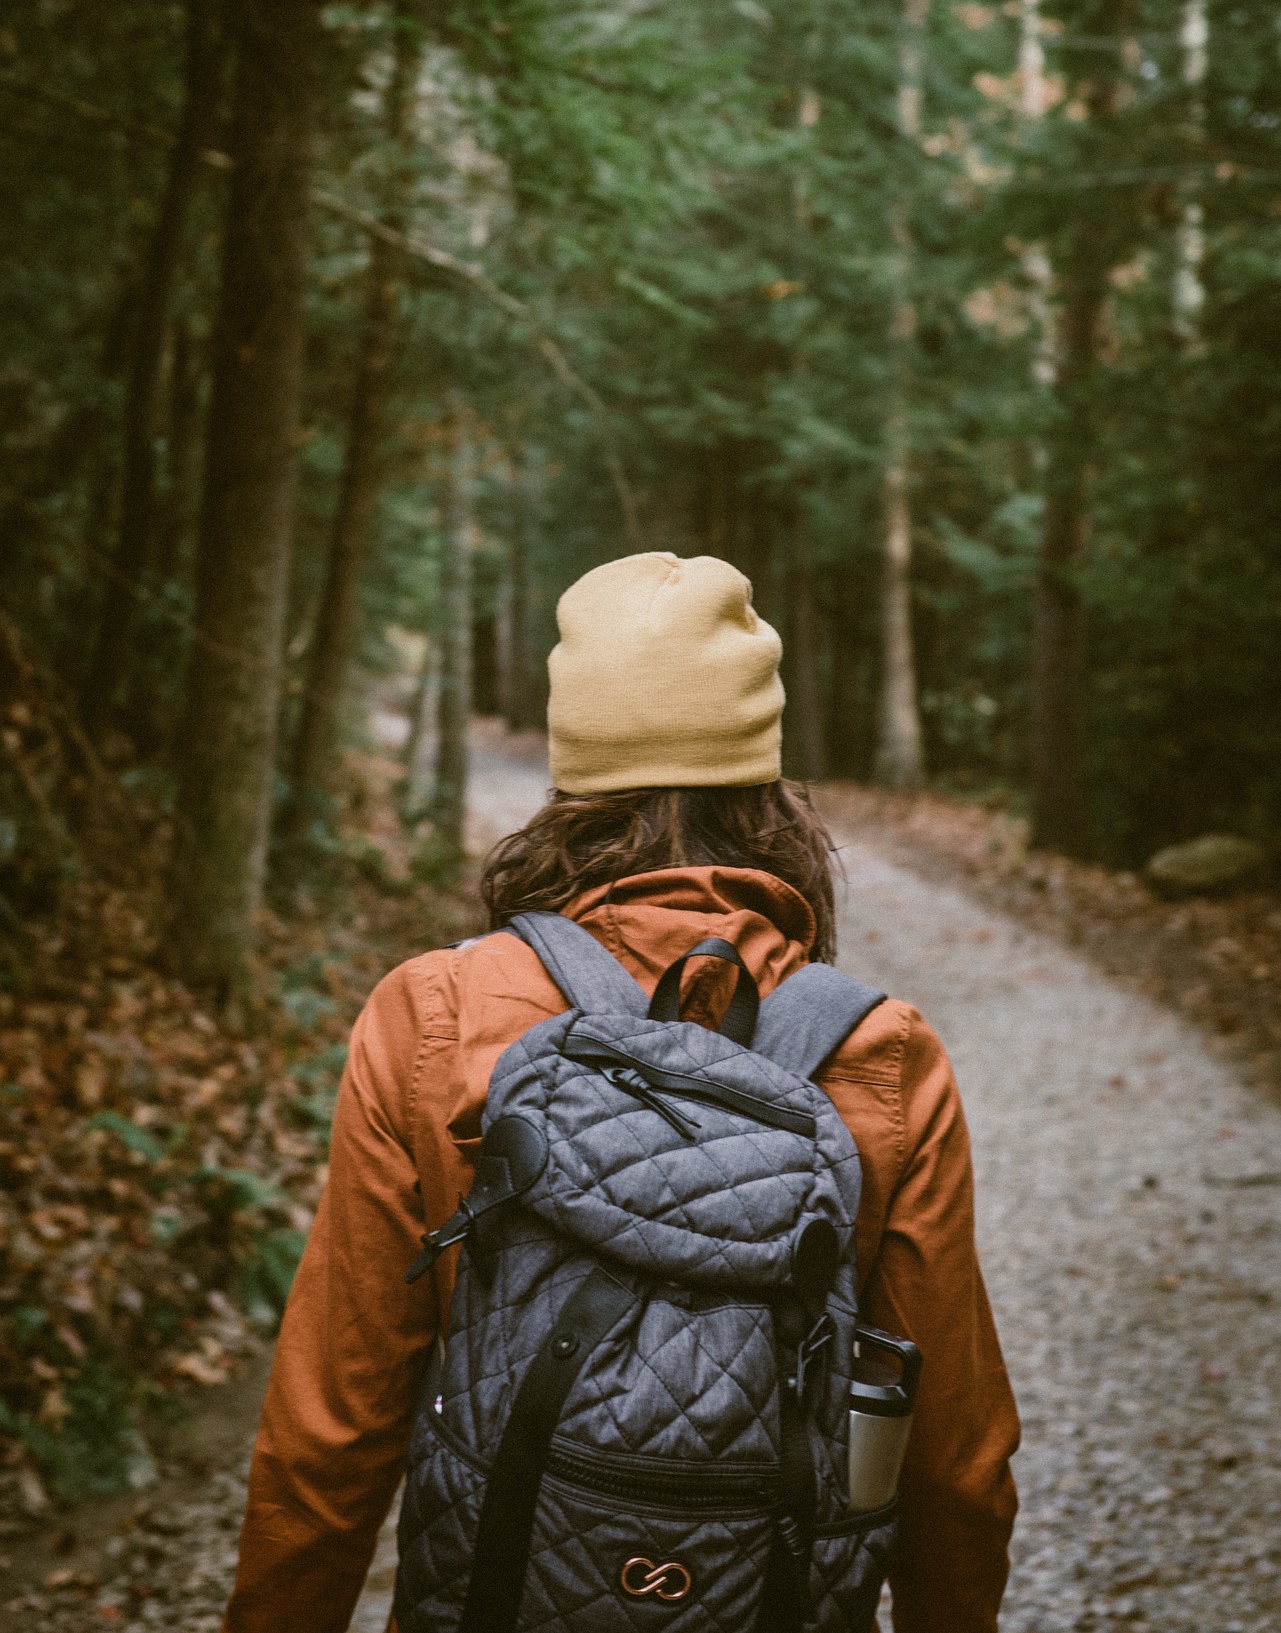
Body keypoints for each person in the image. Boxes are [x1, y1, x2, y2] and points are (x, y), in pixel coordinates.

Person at [223, 551, 1019, 1633]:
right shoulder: (881, 1050)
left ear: (570, 775)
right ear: (768, 787)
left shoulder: (436, 1013)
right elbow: (954, 1461)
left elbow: (333, 1425)